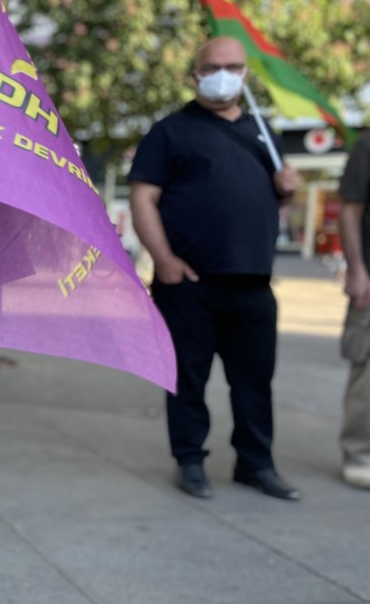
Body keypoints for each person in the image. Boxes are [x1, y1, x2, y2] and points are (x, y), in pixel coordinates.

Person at [129, 37, 301, 501]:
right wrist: (164, 260)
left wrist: (287, 190)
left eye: (233, 66)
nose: (223, 74)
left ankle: (256, 464)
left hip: (253, 283)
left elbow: (270, 201)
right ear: (195, 75)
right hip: (189, 283)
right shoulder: (169, 132)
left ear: (245, 74)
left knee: (254, 384)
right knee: (187, 380)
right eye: (212, 67)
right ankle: (190, 461)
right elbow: (143, 197)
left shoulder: (264, 132)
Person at [336, 129, 370, 488]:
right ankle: (361, 453)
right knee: (367, 372)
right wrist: (357, 269)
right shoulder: (367, 144)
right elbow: (350, 211)